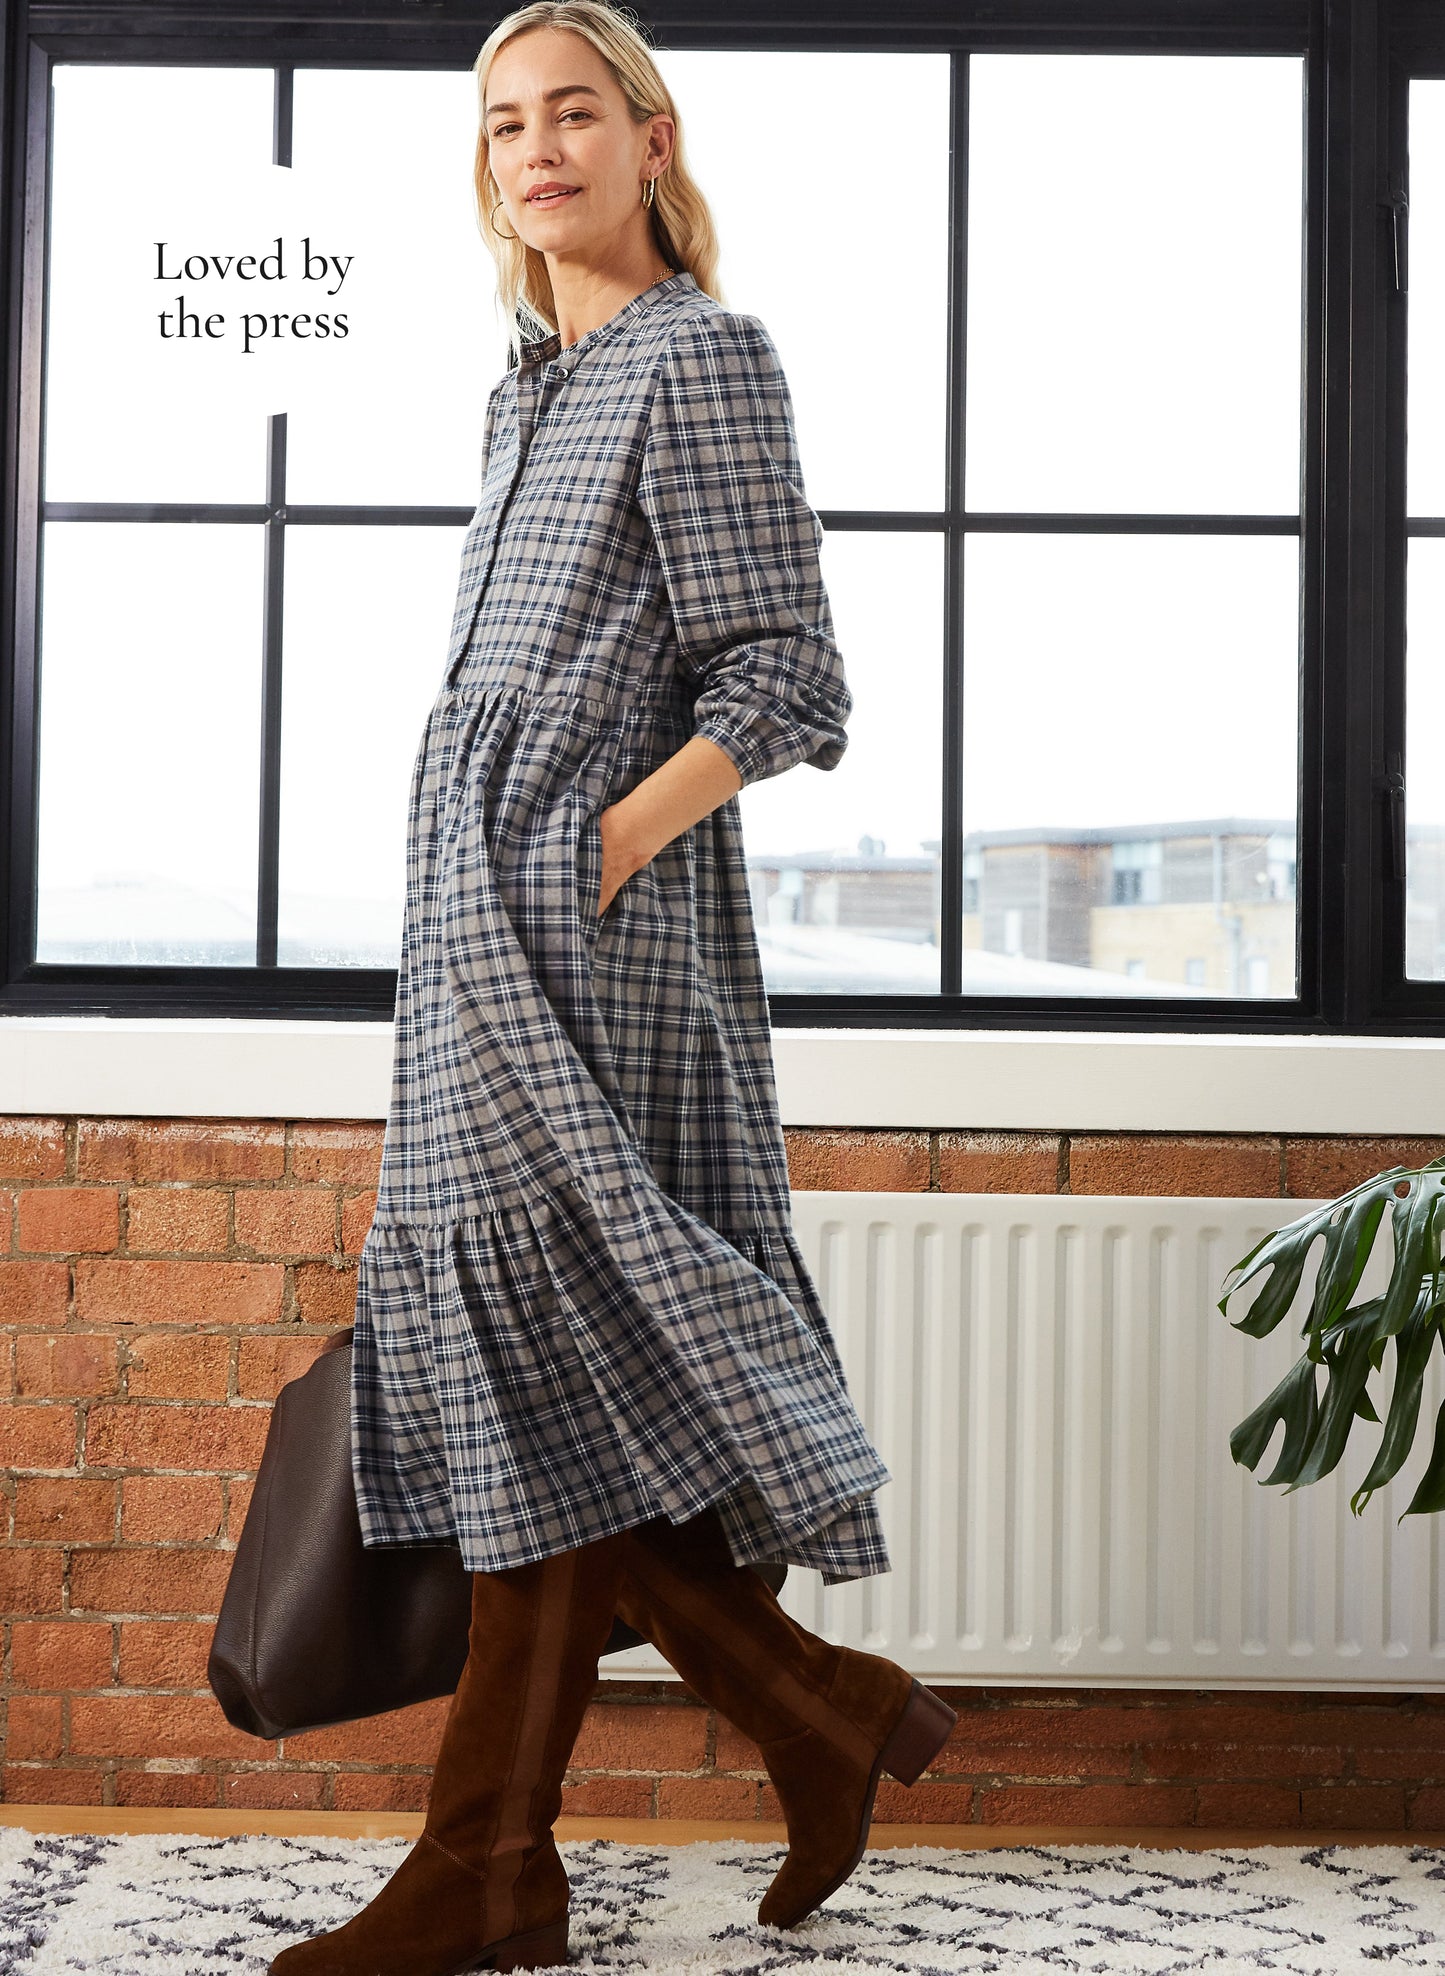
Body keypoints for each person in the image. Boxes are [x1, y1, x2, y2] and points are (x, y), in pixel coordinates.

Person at [267, 5, 956, 1971]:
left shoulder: (699, 356)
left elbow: (786, 675)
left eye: (574, 112)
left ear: (652, 138)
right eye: (506, 125)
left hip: (592, 931)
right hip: (471, 923)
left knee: (547, 1351)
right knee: (535, 1368)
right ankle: (786, 1725)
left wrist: (603, 845)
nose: (538, 149)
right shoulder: (521, 393)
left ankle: (502, 1858)